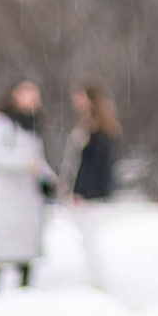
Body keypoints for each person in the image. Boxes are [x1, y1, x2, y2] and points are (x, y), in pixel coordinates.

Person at [0, 80, 51, 289]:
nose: (32, 100)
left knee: (28, 243)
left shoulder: (33, 127)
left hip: (28, 195)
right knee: (5, 243)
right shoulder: (2, 123)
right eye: (27, 94)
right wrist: (22, 163)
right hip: (7, 193)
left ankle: (26, 286)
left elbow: (39, 159)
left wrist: (49, 180)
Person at [66, 84, 121, 289]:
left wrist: (83, 190)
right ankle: (93, 278)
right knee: (88, 239)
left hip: (92, 196)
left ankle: (96, 280)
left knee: (91, 239)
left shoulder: (97, 129)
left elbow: (92, 165)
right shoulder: (93, 126)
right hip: (93, 194)